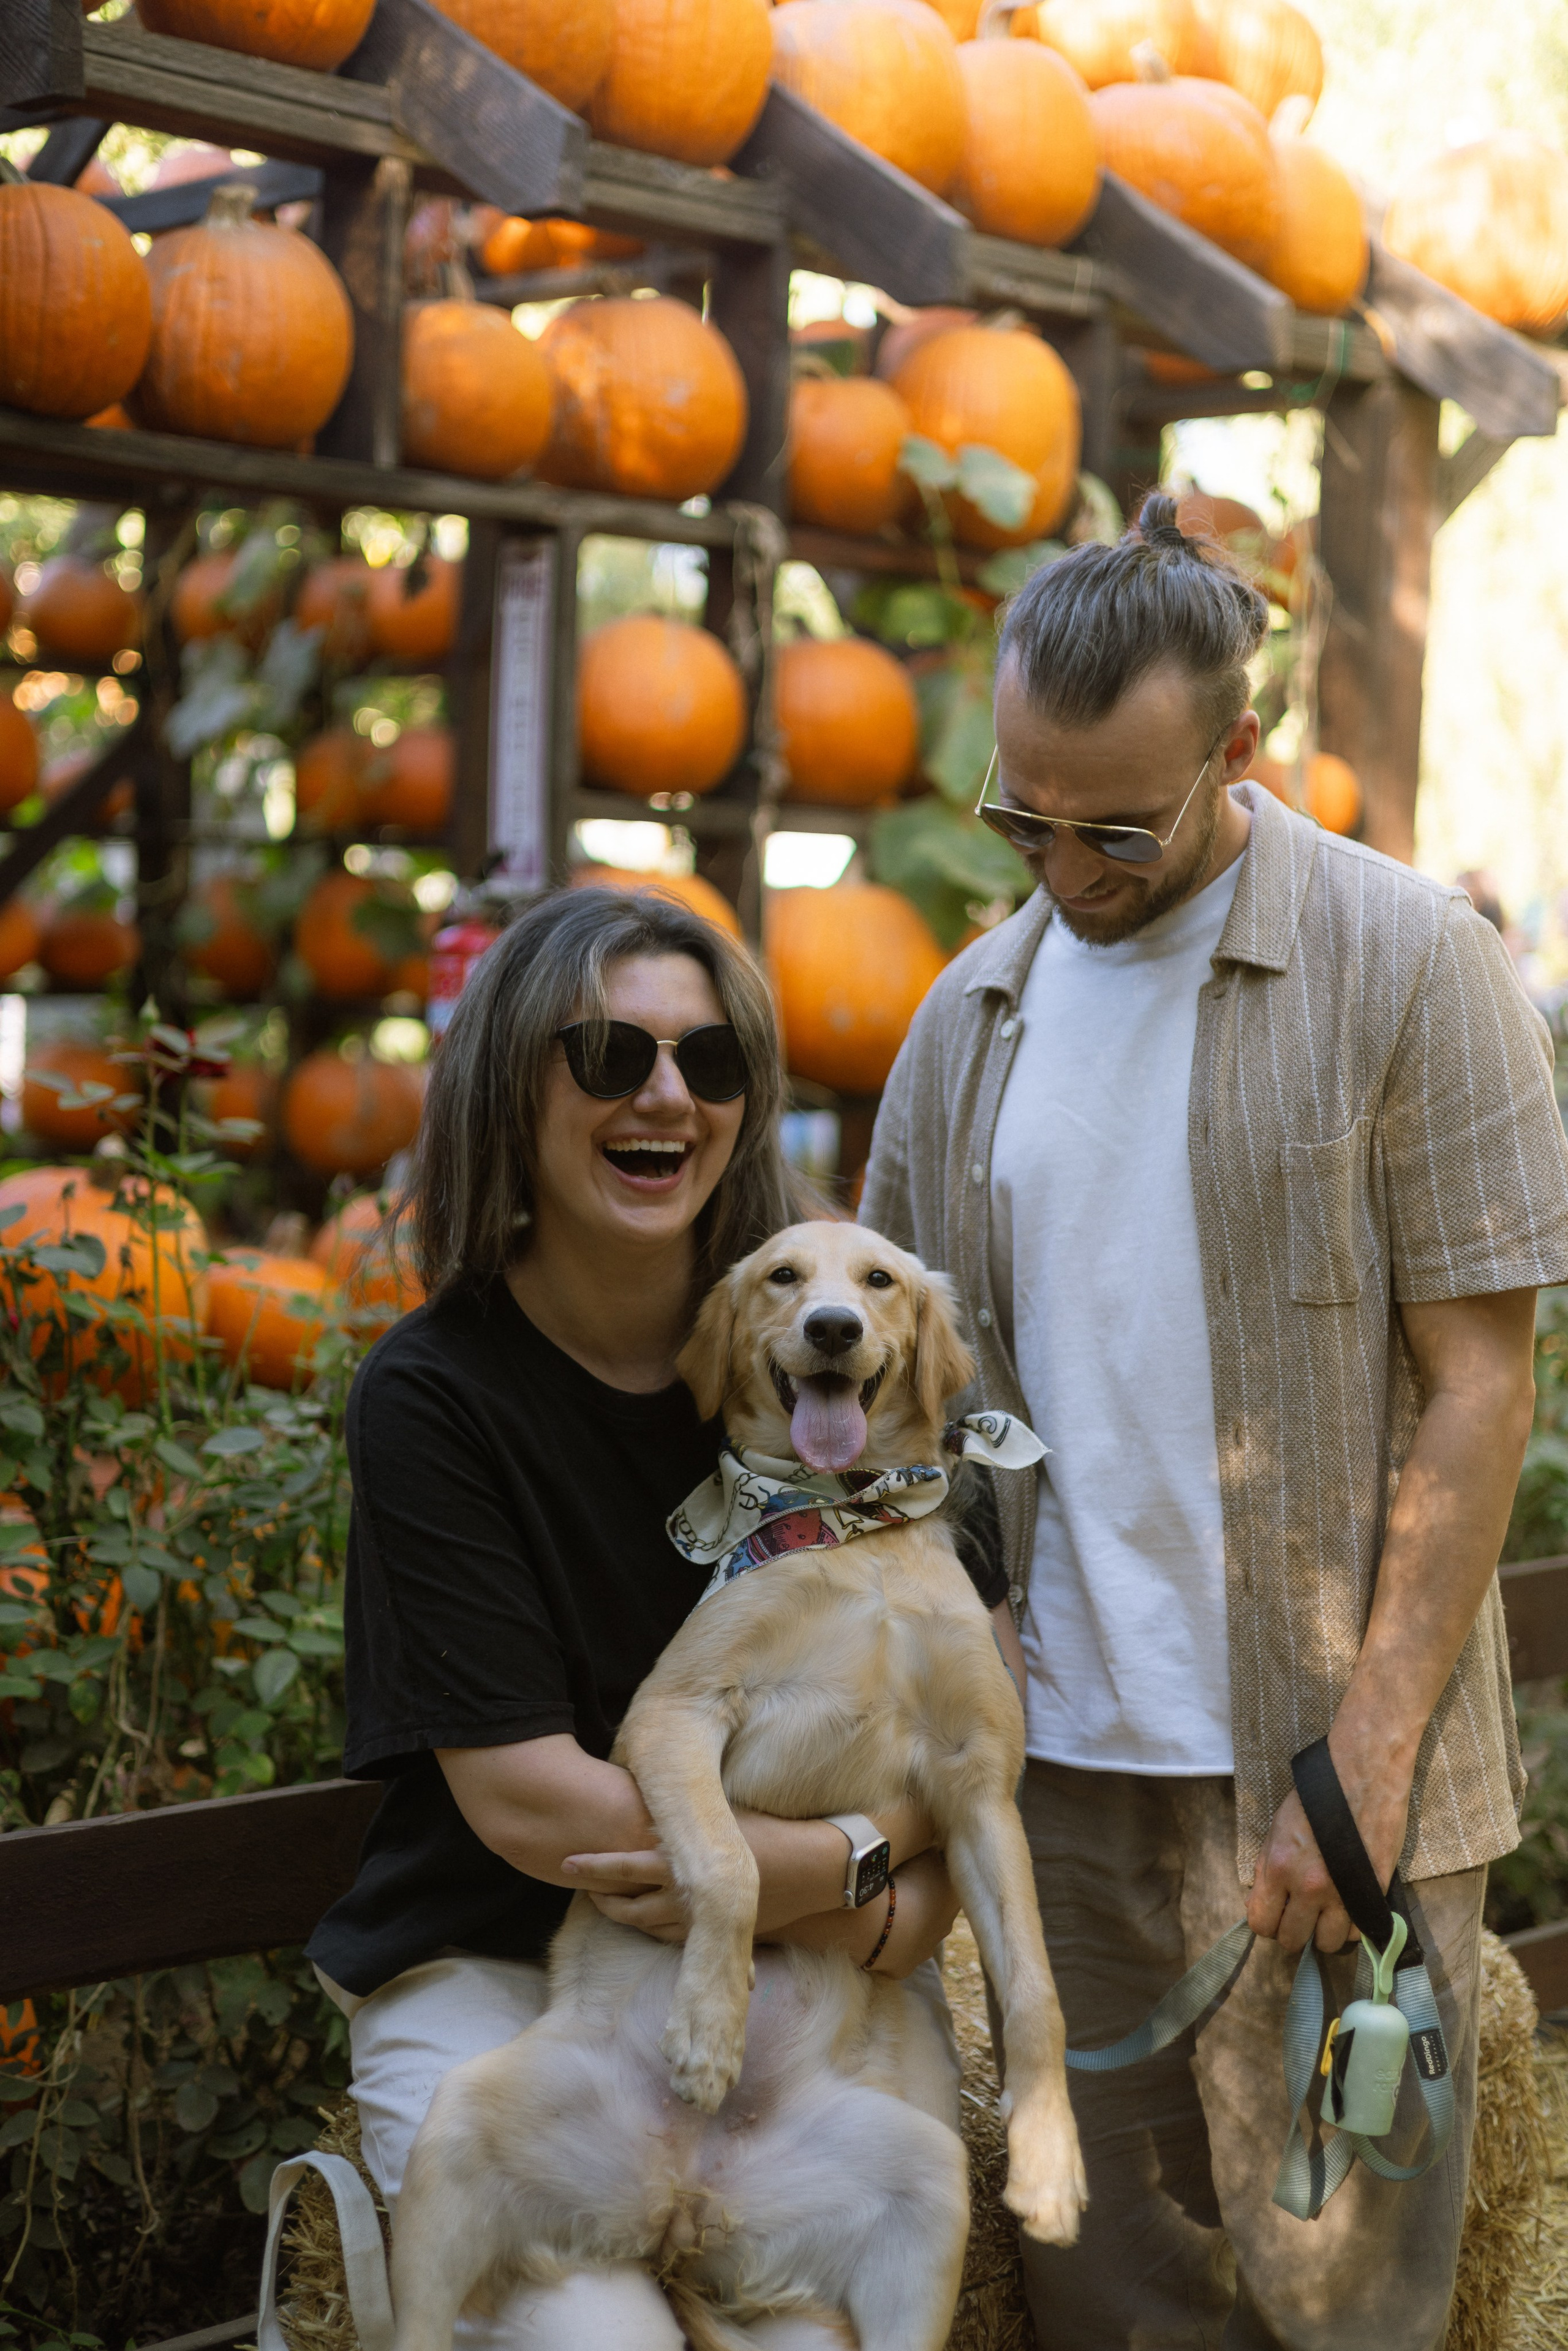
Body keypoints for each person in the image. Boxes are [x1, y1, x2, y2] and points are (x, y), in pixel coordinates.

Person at [860, 491, 1568, 2351]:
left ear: (1240, 750)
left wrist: (1370, 1766)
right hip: (1072, 1777)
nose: (1066, 869)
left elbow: (1483, 1379)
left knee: (1343, 2311)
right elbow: (927, 1397)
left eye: (1116, 826)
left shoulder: (1413, 967)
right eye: (1027, 815)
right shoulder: (969, 1018)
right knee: (1113, 2298)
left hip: (1333, 1767)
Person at [306, 885, 1006, 2351]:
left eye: (712, 1063)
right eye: (610, 1055)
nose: (667, 1097)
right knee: (602, 2339)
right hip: (506, 1970)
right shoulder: (437, 1399)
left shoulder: (832, 1346)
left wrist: (877, 1901)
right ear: (514, 1081)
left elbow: (965, 1735)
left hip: (810, 1987)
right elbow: (529, 1806)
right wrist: (868, 1875)